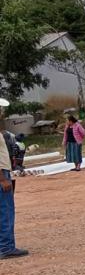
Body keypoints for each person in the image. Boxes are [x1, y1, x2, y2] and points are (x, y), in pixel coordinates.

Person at [0, 103, 27, 259]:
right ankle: (6, 247)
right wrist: (2, 178)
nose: (2, 113)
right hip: (1, 174)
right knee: (5, 211)